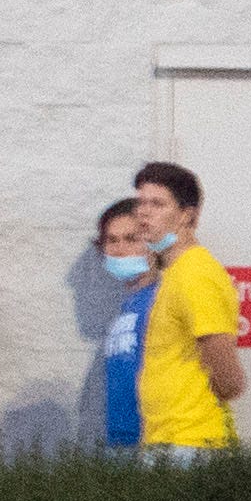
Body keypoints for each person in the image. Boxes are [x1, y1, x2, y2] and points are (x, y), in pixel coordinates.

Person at [123, 161, 247, 460]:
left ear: (187, 215)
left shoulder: (196, 273)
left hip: (192, 442)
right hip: (167, 439)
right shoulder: (175, 273)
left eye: (157, 204)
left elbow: (228, 378)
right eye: (141, 203)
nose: (143, 213)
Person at [67, 196, 156, 457]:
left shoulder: (162, 300)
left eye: (131, 239)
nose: (119, 250)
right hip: (115, 442)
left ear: (153, 242)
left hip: (154, 443)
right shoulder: (124, 308)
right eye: (112, 241)